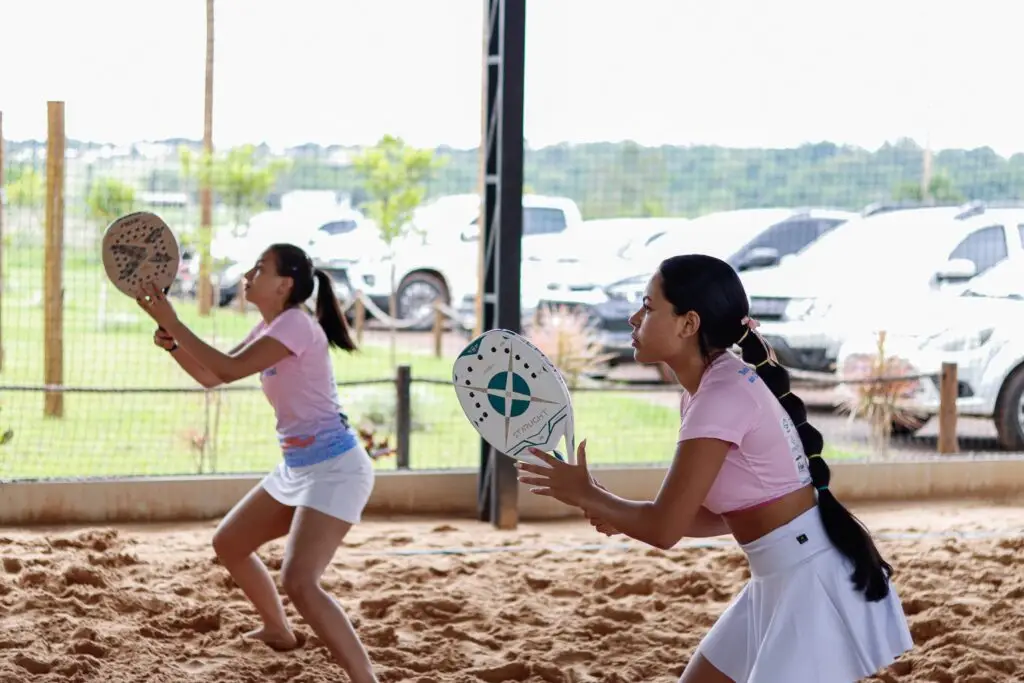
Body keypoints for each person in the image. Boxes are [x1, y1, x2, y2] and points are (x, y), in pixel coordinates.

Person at [516, 254, 914, 683]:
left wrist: (589, 495)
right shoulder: (710, 387)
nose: (634, 318)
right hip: (781, 575)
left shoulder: (719, 395)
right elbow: (720, 516)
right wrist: (616, 509)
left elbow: (664, 529)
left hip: (808, 583)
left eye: (648, 308)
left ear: (689, 324)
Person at [136, 243, 378, 683]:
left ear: (285, 284)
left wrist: (174, 321)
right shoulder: (271, 325)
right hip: (299, 467)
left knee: (300, 581)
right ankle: (277, 629)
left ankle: (365, 677)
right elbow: (212, 377)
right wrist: (172, 342)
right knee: (229, 543)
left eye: (260, 268)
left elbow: (226, 370)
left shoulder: (297, 326)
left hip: (336, 468)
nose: (248, 274)